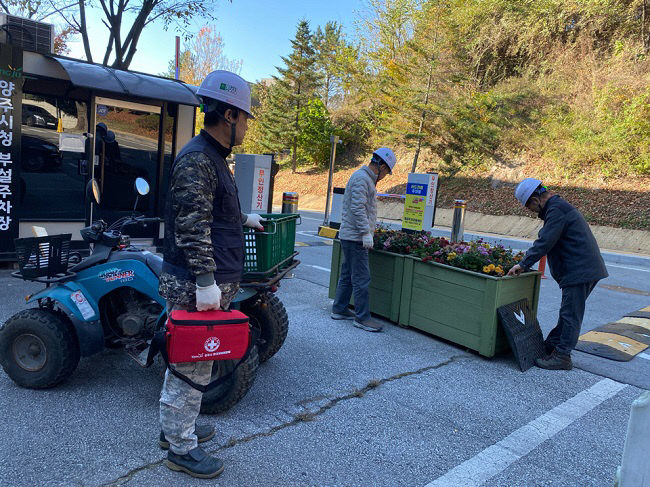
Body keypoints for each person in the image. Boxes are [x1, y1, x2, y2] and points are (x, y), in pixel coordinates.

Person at [157, 70, 264, 478]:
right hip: (195, 282)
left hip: (207, 279)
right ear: (228, 114)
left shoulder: (213, 158)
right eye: (245, 118)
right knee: (191, 365)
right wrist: (204, 282)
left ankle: (176, 429)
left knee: (192, 363)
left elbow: (212, 210)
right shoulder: (199, 158)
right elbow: (191, 224)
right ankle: (180, 448)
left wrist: (243, 218)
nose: (246, 127)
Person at [507, 178, 608, 370]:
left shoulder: (556, 209)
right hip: (582, 268)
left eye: (529, 207)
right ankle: (553, 345)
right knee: (568, 312)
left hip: (579, 269)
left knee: (571, 314)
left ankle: (562, 356)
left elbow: (545, 241)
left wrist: (523, 264)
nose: (531, 212)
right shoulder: (557, 207)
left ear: (535, 200)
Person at [331, 148, 397, 332]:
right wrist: (365, 233)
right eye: (386, 172)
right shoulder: (362, 179)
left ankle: (339, 309)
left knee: (347, 274)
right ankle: (362, 318)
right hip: (355, 237)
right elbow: (358, 208)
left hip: (350, 235)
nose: (385, 176)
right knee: (361, 278)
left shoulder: (363, 178)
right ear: (381, 166)